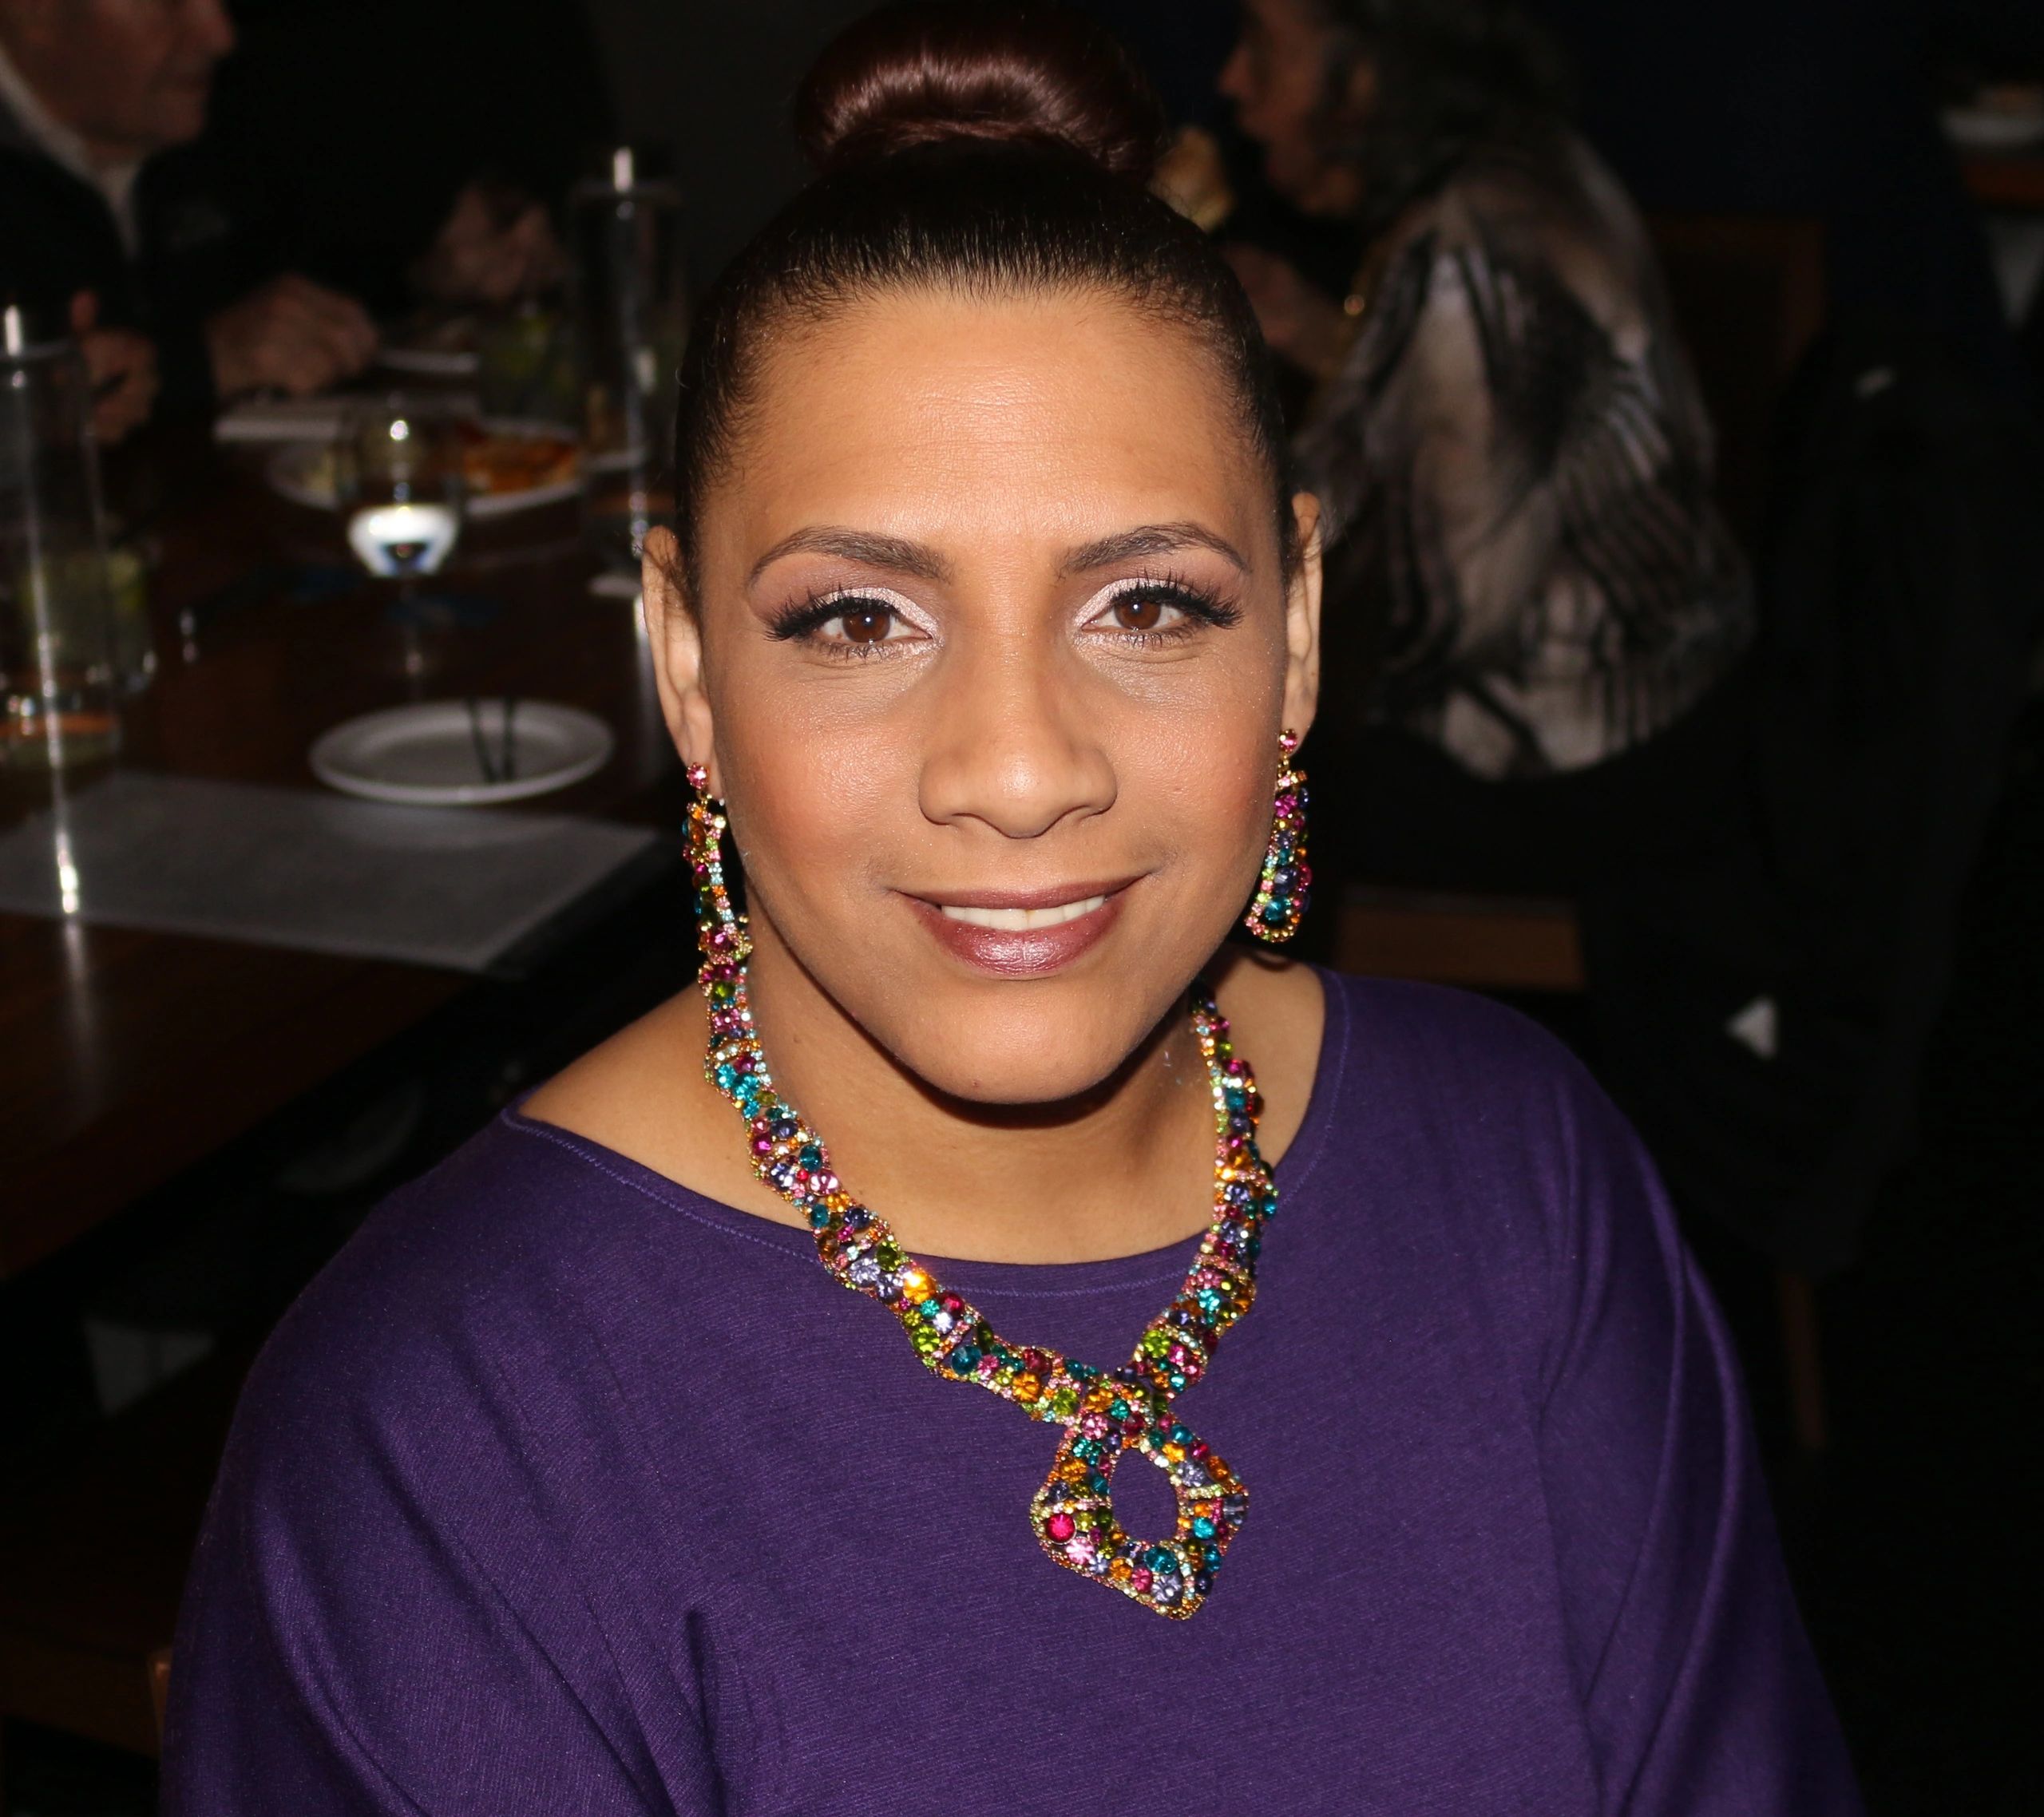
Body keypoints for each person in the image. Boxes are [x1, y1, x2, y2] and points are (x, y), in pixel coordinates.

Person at [160, 6, 1860, 1810]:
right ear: (687, 665)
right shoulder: (442, 1438)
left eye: (1147, 606)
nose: (1020, 768)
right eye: (858, 619)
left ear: (1293, 635)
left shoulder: (1520, 1180)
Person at [1220, 0, 1753, 892]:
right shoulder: (1526, 165)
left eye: (1264, 49)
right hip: (1666, 719)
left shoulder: (1473, 248)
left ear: (1368, 76)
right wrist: (1320, 333)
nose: (1232, 82)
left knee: (1230, 809)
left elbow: (1446, 618)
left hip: (1571, 770)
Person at [0, 0, 570, 420]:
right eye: (169, 4)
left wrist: (439, 280)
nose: (219, 35)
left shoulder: (230, 115)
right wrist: (198, 365)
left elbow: (329, 274)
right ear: (34, 13)